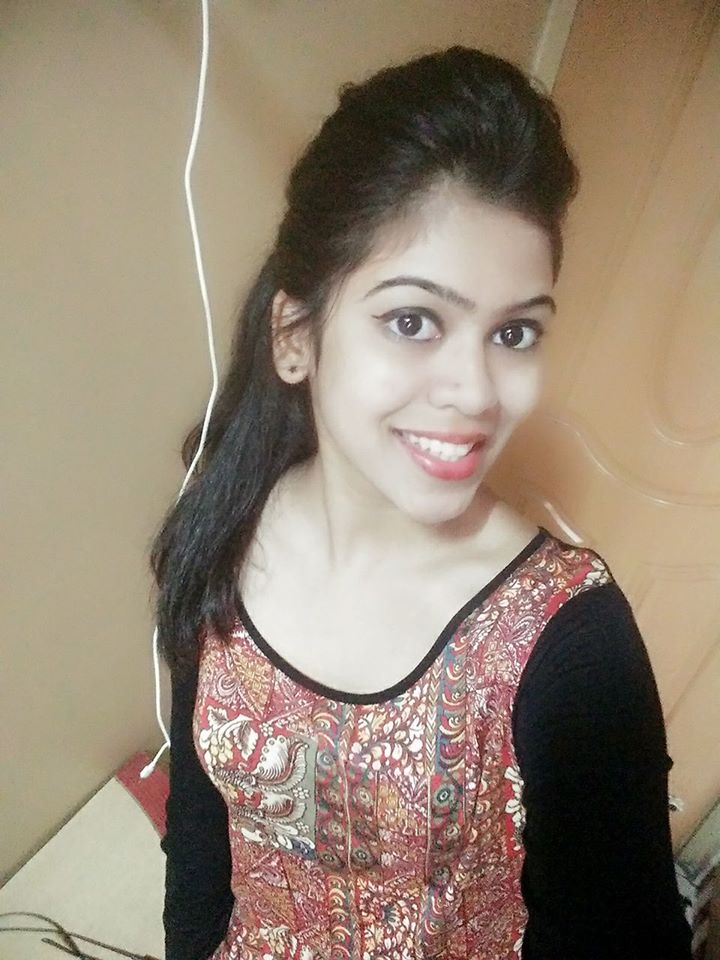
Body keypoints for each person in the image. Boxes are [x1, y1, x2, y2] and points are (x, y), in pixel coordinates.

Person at [151, 46, 693, 960]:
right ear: (295, 335)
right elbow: (201, 844)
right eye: (414, 321)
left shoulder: (571, 645)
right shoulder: (225, 524)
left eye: (514, 333)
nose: (477, 392)